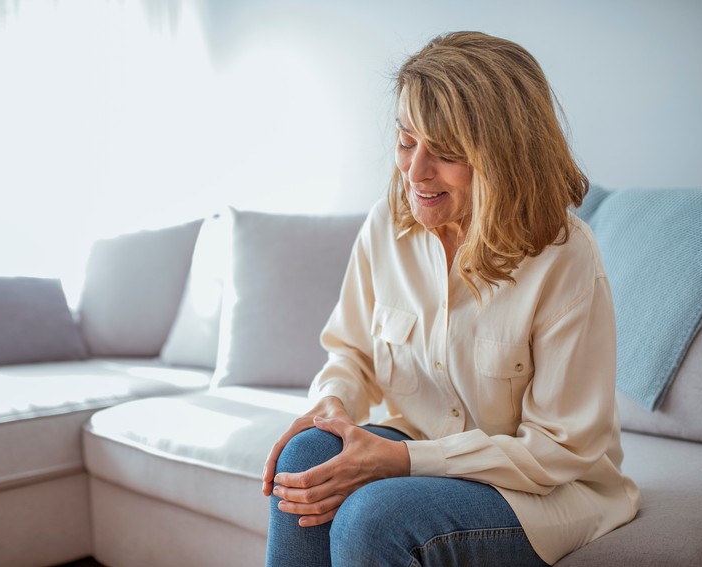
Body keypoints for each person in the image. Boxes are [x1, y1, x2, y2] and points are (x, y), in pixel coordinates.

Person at [261, 31, 640, 566]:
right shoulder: (387, 226)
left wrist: (404, 460)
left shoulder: (564, 255)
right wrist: (332, 402)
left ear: (503, 156)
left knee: (374, 518)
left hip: (543, 490)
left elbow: (559, 448)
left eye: (444, 152)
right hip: (419, 444)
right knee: (305, 456)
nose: (415, 172)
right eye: (406, 140)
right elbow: (351, 354)